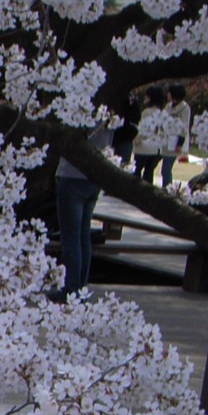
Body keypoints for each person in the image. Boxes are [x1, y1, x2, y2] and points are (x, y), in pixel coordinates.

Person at [53, 122, 115, 299]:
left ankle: (71, 288)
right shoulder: (110, 116)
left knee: (71, 237)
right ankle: (81, 286)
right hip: (95, 176)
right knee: (83, 234)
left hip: (73, 174)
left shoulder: (82, 117)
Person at [132, 88, 171, 187]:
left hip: (143, 148)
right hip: (156, 150)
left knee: (137, 171)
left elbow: (143, 131)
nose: (145, 98)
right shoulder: (163, 113)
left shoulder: (147, 112)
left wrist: (135, 141)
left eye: (147, 96)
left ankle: (134, 191)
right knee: (149, 172)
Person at [164, 84, 194, 188]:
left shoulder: (185, 108)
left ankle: (167, 189)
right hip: (166, 140)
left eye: (169, 92)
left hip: (175, 142)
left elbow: (184, 127)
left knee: (166, 168)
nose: (167, 94)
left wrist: (180, 144)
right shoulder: (168, 106)